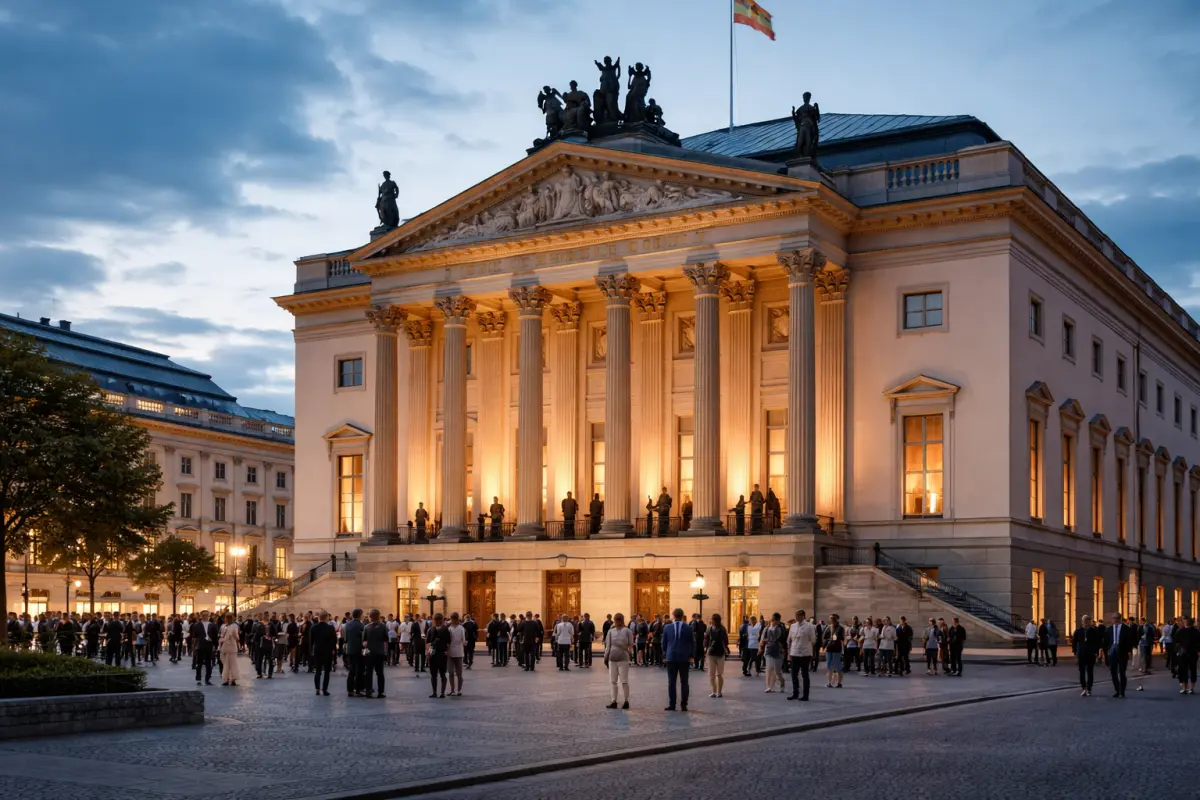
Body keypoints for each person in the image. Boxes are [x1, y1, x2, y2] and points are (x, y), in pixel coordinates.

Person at [661, 608, 694, 711]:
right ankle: (684, 704)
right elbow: (692, 643)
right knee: (684, 681)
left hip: (671, 657)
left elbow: (664, 643)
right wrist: (692, 656)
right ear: (682, 615)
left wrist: (665, 655)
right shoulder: (689, 628)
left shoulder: (667, 627)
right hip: (684, 657)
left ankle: (672, 704)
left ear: (673, 615)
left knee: (671, 682)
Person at [604, 612, 635, 709]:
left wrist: (605, 657)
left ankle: (617, 701)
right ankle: (621, 700)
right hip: (620, 658)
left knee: (618, 681)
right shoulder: (613, 631)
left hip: (616, 658)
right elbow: (631, 645)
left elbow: (608, 647)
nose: (617, 622)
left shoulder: (626, 631)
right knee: (620, 681)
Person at [1103, 613, 1136, 698]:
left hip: (1122, 652)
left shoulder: (1126, 629)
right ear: (1112, 619)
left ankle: (1122, 691)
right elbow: (1106, 641)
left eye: (1117, 618)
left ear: (1120, 619)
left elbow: (1130, 640)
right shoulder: (1109, 629)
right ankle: (1117, 690)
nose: (1115, 620)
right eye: (1114, 618)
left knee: (1122, 672)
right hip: (1112, 652)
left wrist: (1128, 651)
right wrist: (1105, 652)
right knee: (1113, 672)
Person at [787, 609, 816, 701]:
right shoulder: (793, 626)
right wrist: (789, 652)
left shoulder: (809, 626)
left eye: (799, 615)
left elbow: (813, 640)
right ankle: (795, 693)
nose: (797, 617)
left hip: (805, 653)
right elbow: (790, 639)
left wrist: (811, 653)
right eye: (796, 615)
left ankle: (805, 695)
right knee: (794, 674)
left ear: (803, 616)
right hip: (794, 652)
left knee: (804, 674)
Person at [1071, 614, 1101, 696]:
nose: (1085, 623)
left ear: (1090, 622)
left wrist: (1096, 652)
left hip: (1091, 654)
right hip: (1081, 654)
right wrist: (1074, 651)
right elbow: (1074, 641)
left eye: (1087, 621)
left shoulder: (1094, 631)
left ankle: (1089, 688)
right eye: (1084, 621)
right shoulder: (1078, 631)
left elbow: (1097, 642)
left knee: (1090, 672)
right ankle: (1083, 688)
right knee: (1082, 672)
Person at [309, 612, 337, 696]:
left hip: (317, 650)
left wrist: (311, 651)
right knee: (327, 671)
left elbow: (311, 641)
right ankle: (325, 689)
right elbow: (334, 640)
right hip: (327, 651)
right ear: (326, 618)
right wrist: (333, 650)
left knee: (318, 671)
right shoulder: (330, 627)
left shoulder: (314, 627)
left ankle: (317, 689)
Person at [363, 609, 388, 698]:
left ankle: (368, 691)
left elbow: (364, 641)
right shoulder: (383, 626)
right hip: (379, 652)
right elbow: (386, 639)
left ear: (371, 617)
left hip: (369, 653)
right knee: (380, 673)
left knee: (369, 672)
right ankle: (380, 692)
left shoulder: (366, 627)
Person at [704, 613, 730, 698]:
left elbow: (706, 640)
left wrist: (706, 648)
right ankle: (717, 692)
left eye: (712, 619)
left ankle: (716, 692)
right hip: (717, 653)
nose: (712, 621)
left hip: (715, 653)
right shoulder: (719, 629)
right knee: (715, 674)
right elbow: (726, 642)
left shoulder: (717, 629)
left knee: (715, 674)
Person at [760, 613, 786, 693]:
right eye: (774, 620)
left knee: (777, 670)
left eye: (777, 621)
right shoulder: (767, 628)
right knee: (769, 668)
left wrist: (784, 649)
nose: (776, 622)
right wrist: (761, 646)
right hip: (769, 649)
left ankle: (782, 682)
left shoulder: (781, 628)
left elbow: (783, 639)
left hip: (778, 650)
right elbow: (762, 637)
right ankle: (769, 686)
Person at [427, 613, 451, 698]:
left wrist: (446, 651)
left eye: (438, 620)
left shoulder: (443, 630)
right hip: (437, 652)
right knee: (437, 674)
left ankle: (439, 692)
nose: (437, 622)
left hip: (439, 653)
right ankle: (438, 692)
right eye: (436, 620)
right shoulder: (432, 629)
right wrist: (428, 653)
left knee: (440, 674)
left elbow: (448, 643)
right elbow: (428, 643)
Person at [191, 611, 218, 686]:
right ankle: (198, 679)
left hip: (209, 645)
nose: (205, 616)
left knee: (208, 663)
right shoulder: (197, 625)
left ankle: (207, 679)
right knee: (199, 663)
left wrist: (214, 646)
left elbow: (215, 637)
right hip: (200, 646)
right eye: (203, 615)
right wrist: (193, 646)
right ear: (201, 616)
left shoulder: (212, 625)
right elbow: (194, 636)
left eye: (206, 615)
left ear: (209, 616)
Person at [344, 608, 366, 697]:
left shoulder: (347, 625)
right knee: (359, 671)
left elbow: (345, 638)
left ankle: (350, 689)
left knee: (351, 670)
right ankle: (358, 689)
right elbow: (363, 638)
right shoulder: (361, 625)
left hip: (350, 650)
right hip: (358, 650)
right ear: (360, 615)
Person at [1173, 616, 1198, 695]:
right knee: (1192, 669)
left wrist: (1177, 651)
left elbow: (1176, 641)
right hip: (1192, 653)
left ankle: (1184, 687)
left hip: (1183, 653)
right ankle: (1191, 688)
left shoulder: (1180, 630)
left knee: (1183, 670)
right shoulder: (1196, 631)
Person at [446, 612, 467, 696]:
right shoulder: (449, 628)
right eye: (451, 619)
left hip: (458, 651)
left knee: (459, 673)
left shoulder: (461, 628)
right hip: (450, 652)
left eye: (453, 619)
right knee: (450, 672)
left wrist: (464, 643)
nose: (452, 621)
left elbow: (463, 639)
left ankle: (459, 689)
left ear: (456, 619)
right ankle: (452, 689)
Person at [218, 613, 241, 686]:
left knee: (233, 663)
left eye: (230, 617)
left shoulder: (235, 626)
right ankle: (226, 679)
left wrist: (234, 636)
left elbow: (237, 638)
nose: (228, 619)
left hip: (232, 646)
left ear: (233, 618)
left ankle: (233, 679)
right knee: (225, 663)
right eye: (227, 617)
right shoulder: (223, 626)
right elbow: (220, 635)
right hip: (224, 646)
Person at [823, 614, 845, 688]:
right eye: (831, 619)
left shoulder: (840, 628)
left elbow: (842, 637)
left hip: (836, 648)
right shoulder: (829, 627)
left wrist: (837, 637)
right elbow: (824, 637)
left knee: (837, 665)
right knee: (829, 665)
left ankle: (839, 682)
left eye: (833, 619)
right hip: (829, 647)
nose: (832, 621)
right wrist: (824, 645)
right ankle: (829, 682)